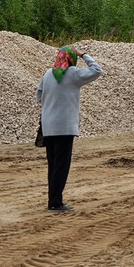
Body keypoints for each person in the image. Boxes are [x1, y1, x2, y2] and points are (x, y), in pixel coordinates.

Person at [36, 44, 104, 212]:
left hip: (48, 127)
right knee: (62, 165)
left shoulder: (47, 74)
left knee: (53, 165)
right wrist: (83, 54)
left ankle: (52, 199)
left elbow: (39, 95)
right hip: (65, 127)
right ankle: (56, 203)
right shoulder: (73, 74)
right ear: (71, 59)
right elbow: (97, 70)